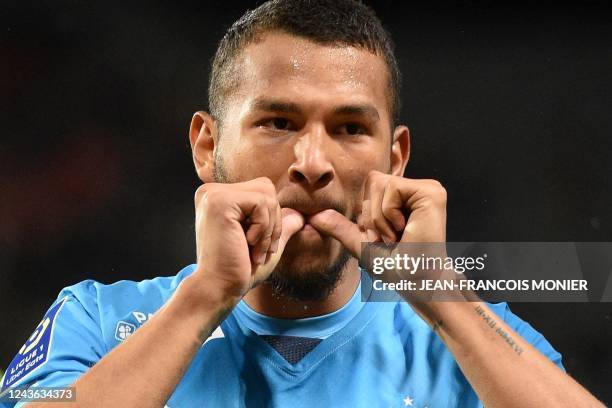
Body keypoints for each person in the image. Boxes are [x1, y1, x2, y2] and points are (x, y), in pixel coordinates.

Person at [1, 1, 603, 407]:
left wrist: (446, 300)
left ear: (396, 160)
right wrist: (204, 299)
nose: (312, 162)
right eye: (278, 122)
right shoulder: (98, 321)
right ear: (207, 147)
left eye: (348, 129)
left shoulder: (472, 340)